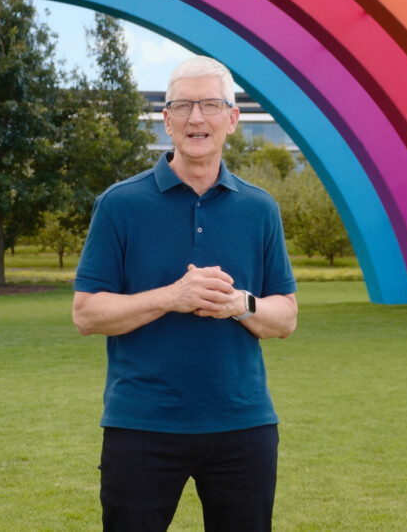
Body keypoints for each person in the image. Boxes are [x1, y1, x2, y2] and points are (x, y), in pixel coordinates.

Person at [72, 55, 298, 532]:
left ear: (232, 119)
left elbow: (285, 318)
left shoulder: (261, 209)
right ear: (166, 120)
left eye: (211, 105)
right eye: (183, 106)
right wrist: (172, 296)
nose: (197, 118)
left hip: (244, 425)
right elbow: (87, 313)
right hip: (142, 426)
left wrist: (241, 304)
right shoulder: (119, 204)